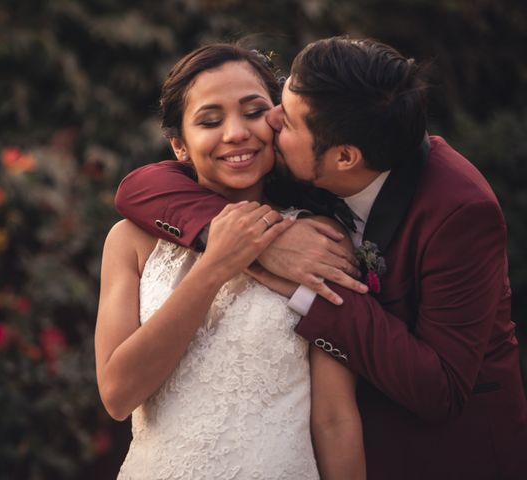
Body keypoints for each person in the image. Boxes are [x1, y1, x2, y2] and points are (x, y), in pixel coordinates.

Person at [114, 37, 527, 479]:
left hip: (442, 457)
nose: (267, 123)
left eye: (284, 119)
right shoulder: (293, 167)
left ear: (344, 158)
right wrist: (260, 242)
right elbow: (141, 187)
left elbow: (439, 388)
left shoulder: (459, 211)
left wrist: (309, 289)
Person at [96, 44, 366, 479]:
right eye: (210, 120)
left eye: (253, 111)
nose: (237, 133)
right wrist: (216, 265)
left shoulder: (318, 241)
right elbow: (117, 395)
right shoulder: (130, 241)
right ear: (179, 145)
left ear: (278, 120)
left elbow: (334, 418)